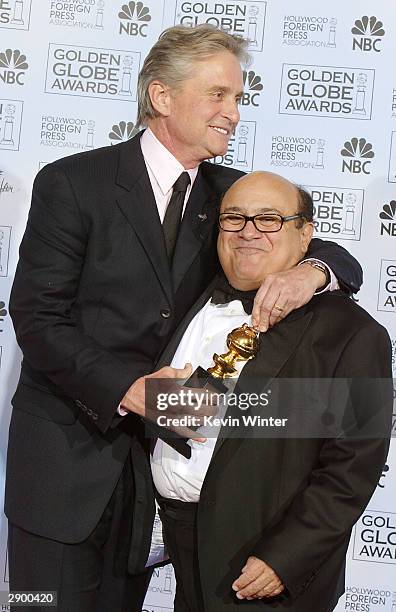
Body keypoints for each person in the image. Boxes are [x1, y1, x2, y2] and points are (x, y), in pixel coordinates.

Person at [6, 25, 362, 612]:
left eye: (238, 98)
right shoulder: (74, 182)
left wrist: (314, 270)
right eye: (218, 94)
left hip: (161, 477)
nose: (233, 113)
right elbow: (37, 317)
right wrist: (128, 389)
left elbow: (324, 247)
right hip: (64, 465)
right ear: (161, 96)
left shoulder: (231, 197)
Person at [144, 172, 392, 612]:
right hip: (179, 550)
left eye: (269, 219)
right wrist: (161, 404)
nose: (248, 232)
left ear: (306, 236)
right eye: (235, 218)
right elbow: (191, 414)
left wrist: (285, 558)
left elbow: (352, 470)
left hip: (262, 568)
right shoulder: (191, 296)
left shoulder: (355, 335)